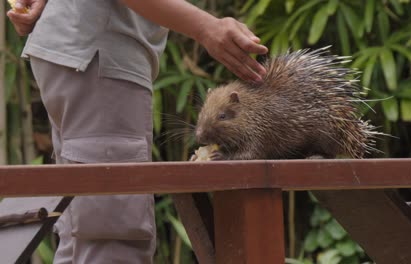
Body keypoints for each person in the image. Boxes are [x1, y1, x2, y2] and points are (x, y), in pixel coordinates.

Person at [7, 0, 268, 263]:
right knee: (113, 233)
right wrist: (205, 27)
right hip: (100, 56)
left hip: (77, 50)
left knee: (83, 232)